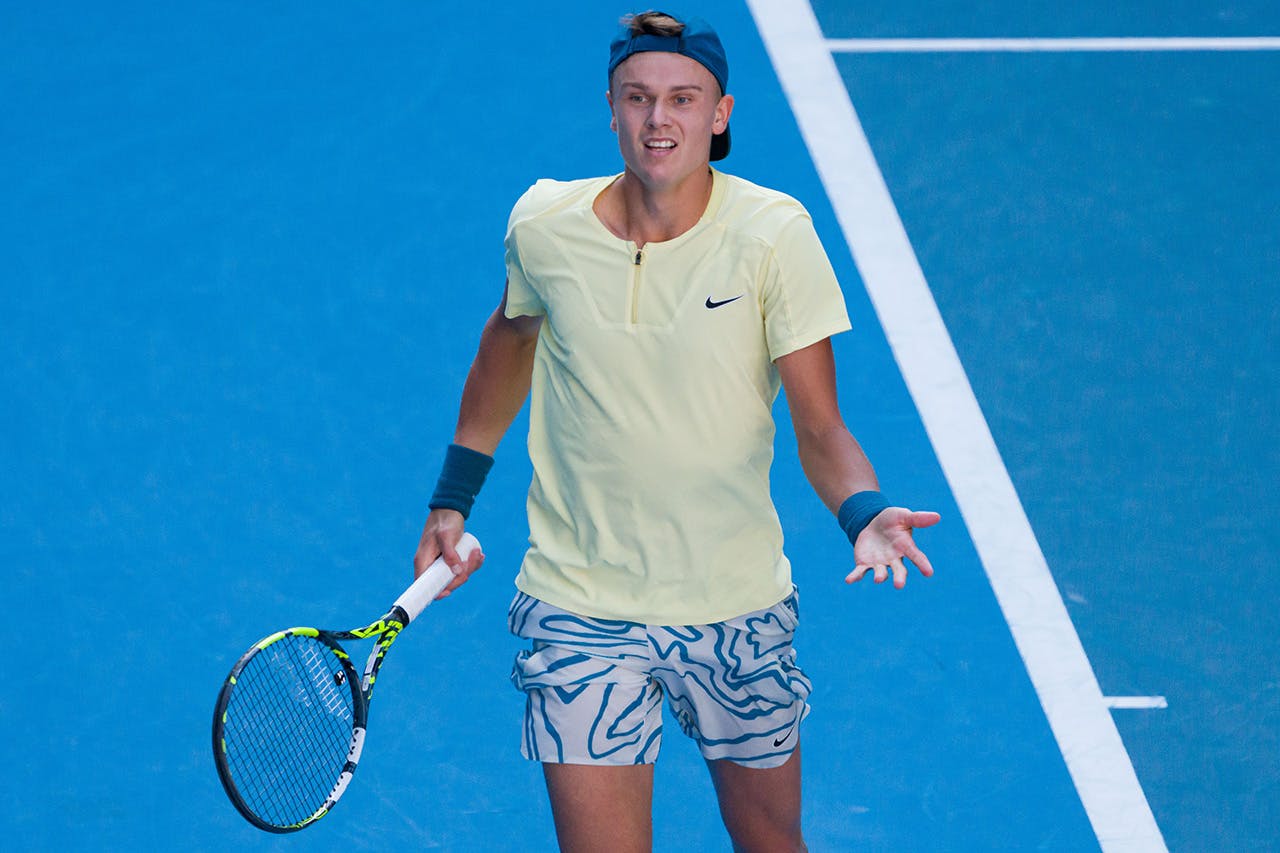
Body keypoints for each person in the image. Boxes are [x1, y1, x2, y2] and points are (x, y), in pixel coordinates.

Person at [413, 11, 940, 852]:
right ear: (611, 109)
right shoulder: (545, 227)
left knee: (770, 839)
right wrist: (453, 496)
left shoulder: (773, 236)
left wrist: (863, 510)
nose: (659, 119)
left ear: (720, 113)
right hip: (582, 605)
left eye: (683, 99)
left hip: (734, 605)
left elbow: (819, 425)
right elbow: (507, 343)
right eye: (638, 97)